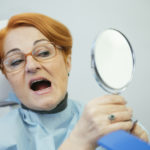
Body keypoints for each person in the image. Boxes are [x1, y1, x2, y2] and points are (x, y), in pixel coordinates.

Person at [0, 13, 148, 150]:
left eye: (44, 52)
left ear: (67, 62)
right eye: (16, 61)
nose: (32, 66)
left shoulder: (109, 124)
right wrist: (78, 142)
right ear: (7, 77)